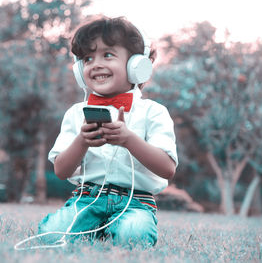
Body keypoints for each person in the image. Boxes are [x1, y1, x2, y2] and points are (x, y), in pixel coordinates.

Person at [38, 16, 178, 249]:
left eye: (108, 55)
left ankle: (113, 231)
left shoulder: (154, 112)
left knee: (133, 236)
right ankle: (97, 230)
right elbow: (61, 170)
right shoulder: (76, 113)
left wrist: (129, 140)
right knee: (52, 235)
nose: (96, 64)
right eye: (88, 58)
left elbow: (168, 168)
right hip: (86, 199)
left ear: (136, 65)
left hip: (136, 203)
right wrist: (82, 141)